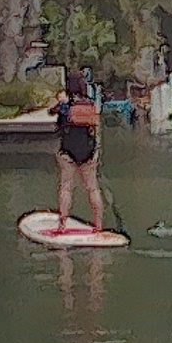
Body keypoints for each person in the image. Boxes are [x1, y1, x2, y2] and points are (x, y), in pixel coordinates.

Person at [51, 67, 109, 233]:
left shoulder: (66, 105)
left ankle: (62, 225)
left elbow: (55, 118)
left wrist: (60, 101)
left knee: (66, 187)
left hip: (68, 150)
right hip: (88, 151)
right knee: (92, 188)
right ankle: (98, 225)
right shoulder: (90, 103)